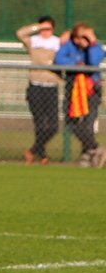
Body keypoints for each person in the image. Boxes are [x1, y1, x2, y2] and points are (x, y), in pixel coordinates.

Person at [54, 23, 106, 168]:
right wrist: (77, 63)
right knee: (72, 122)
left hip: (91, 90)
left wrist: (91, 44)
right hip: (73, 90)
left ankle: (87, 157)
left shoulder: (96, 47)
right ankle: (95, 148)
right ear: (76, 38)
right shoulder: (69, 46)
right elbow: (59, 59)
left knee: (88, 124)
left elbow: (94, 62)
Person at [16, 17, 62, 165]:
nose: (45, 32)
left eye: (48, 29)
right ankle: (42, 156)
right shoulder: (33, 41)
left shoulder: (57, 43)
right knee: (40, 123)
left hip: (51, 87)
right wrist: (37, 26)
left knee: (53, 126)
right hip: (35, 86)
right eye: (43, 29)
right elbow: (21, 33)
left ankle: (33, 150)